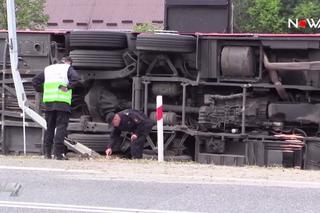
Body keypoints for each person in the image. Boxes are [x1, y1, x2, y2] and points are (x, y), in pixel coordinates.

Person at [32, 56, 81, 160]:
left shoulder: (48, 69)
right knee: (61, 127)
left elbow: (35, 81)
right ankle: (58, 154)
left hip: (49, 102)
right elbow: (76, 79)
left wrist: (43, 89)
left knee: (49, 128)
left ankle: (47, 153)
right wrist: (67, 87)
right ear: (68, 62)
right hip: (62, 102)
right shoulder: (68, 68)